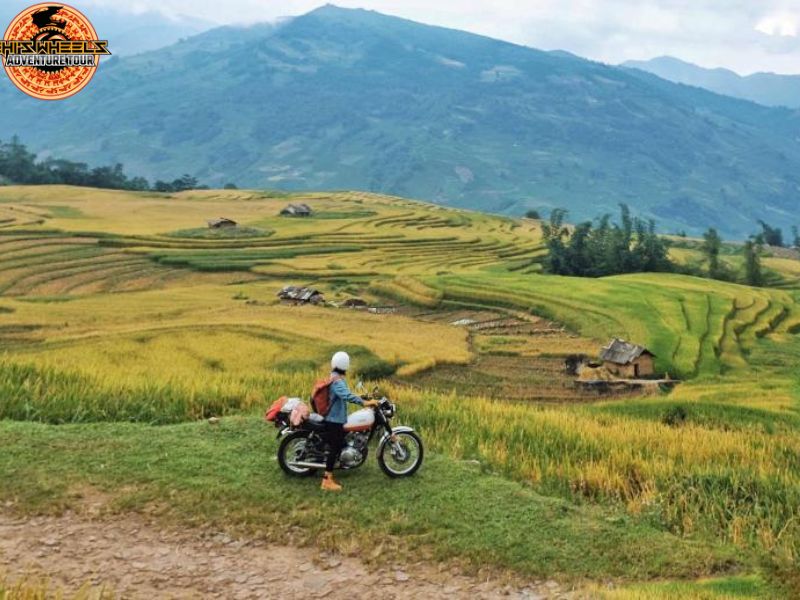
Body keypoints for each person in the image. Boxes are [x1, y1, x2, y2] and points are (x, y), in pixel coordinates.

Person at [321, 351, 377, 492]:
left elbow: (346, 393)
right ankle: (326, 480)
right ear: (345, 365)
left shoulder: (335, 377)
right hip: (334, 420)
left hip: (336, 418)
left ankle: (345, 459)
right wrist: (364, 403)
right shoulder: (337, 380)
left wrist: (363, 396)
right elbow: (346, 395)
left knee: (342, 443)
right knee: (335, 446)